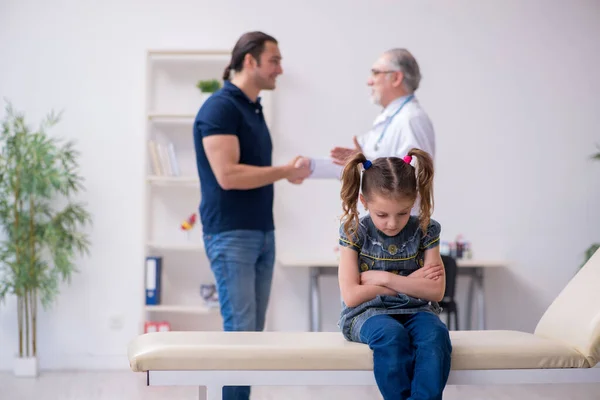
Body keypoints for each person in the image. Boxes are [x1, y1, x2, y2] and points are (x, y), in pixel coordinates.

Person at [192, 31, 310, 400]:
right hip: (231, 234)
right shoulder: (220, 108)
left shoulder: (252, 108)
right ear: (249, 61)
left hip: (261, 232)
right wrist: (284, 171)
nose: (280, 69)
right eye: (274, 60)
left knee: (251, 337)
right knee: (241, 336)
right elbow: (228, 176)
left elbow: (248, 172)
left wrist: (286, 174)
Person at [336, 148, 452, 400]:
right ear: (364, 202)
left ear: (414, 202)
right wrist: (411, 283)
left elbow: (435, 291)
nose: (392, 223)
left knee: (435, 335)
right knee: (391, 335)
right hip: (366, 314)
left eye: (402, 213)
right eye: (382, 215)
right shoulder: (354, 231)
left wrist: (383, 278)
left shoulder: (426, 229)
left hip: (417, 311)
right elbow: (352, 296)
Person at [297, 48, 435, 179]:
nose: (369, 81)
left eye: (375, 73)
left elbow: (414, 179)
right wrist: (311, 166)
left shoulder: (412, 119)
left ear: (396, 78)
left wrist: (367, 164)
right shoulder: (390, 118)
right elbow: (352, 166)